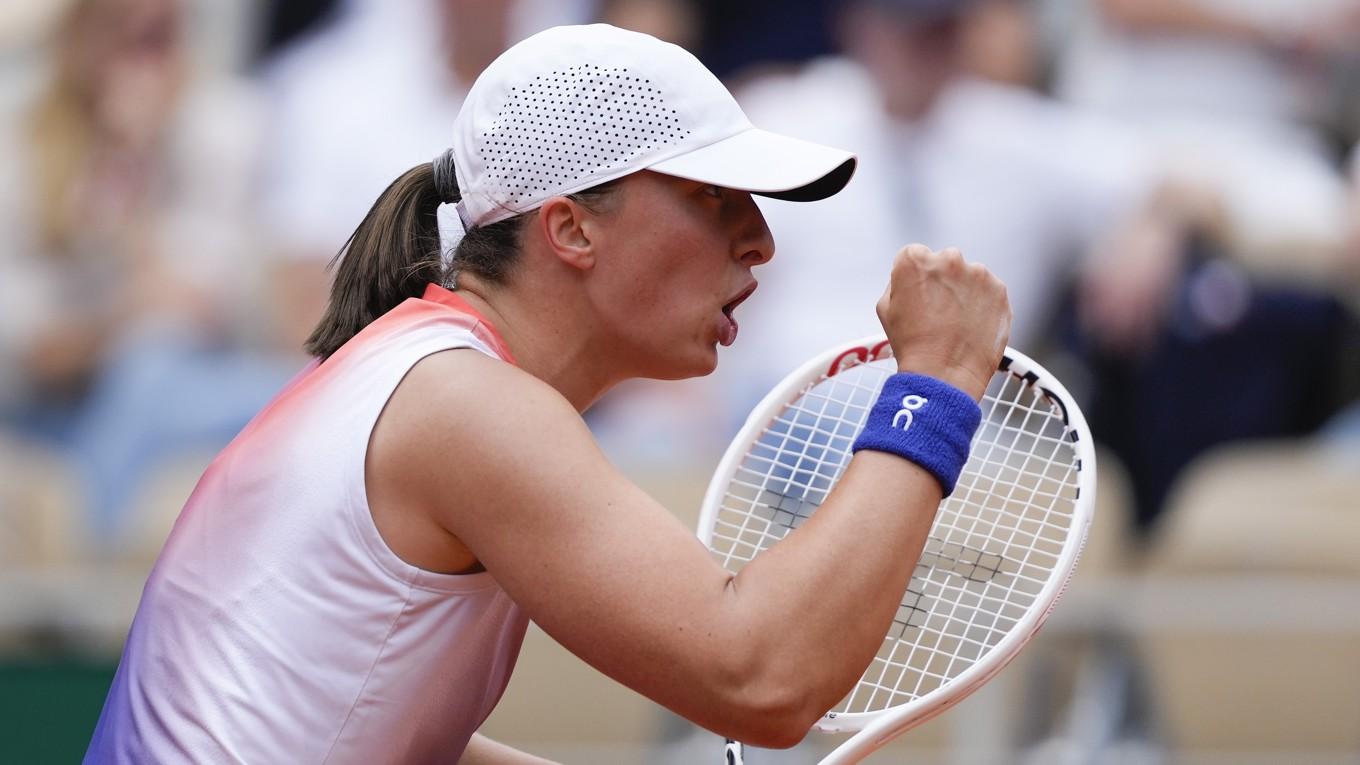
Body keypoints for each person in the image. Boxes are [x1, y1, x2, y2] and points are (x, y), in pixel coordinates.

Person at [84, 24, 1011, 763]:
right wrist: (933, 384)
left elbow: (364, 718)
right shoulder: (468, 406)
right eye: (716, 198)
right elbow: (763, 676)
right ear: (570, 228)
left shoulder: (423, 370)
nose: (761, 240)